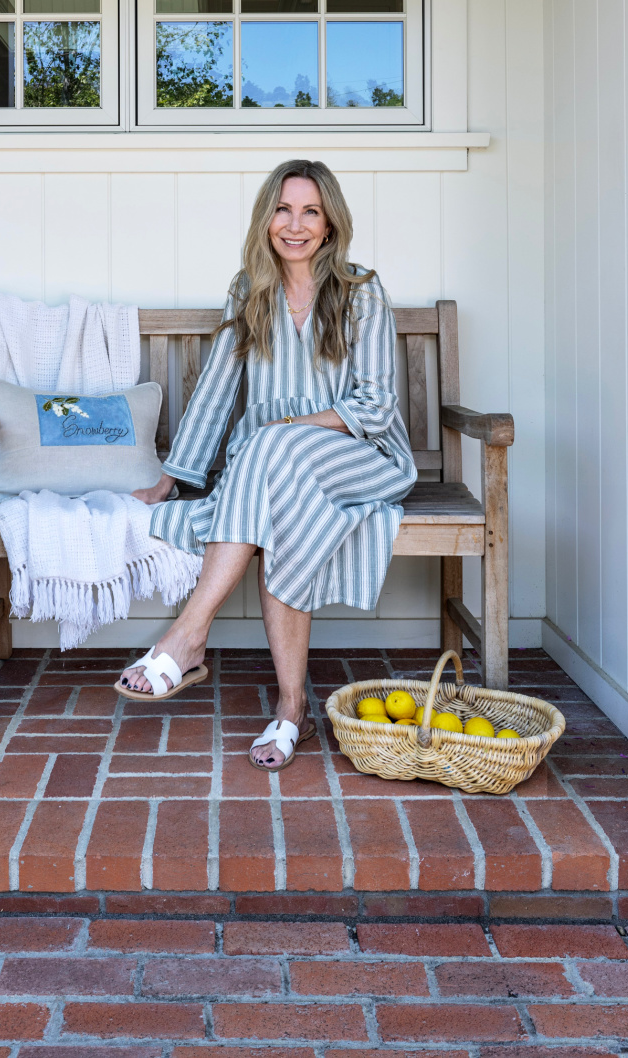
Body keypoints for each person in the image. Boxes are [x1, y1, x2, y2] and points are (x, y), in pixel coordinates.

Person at [114, 159, 417, 770]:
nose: (295, 224)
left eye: (310, 211)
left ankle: (188, 634)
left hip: (363, 456)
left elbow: (377, 405)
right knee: (281, 495)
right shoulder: (248, 289)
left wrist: (286, 430)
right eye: (283, 209)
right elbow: (218, 388)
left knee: (266, 449)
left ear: (330, 224)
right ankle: (290, 707)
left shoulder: (361, 291)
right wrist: (174, 477)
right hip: (277, 472)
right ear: (266, 219)